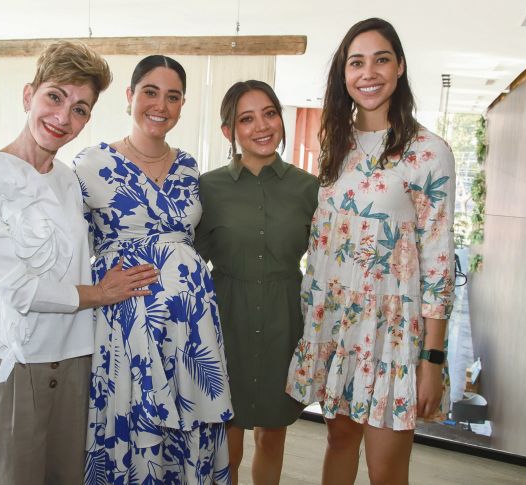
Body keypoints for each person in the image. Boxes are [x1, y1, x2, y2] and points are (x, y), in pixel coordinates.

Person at [0, 41, 160, 485]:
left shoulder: (69, 180)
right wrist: (99, 293)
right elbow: (17, 289)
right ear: (28, 95)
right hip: (13, 362)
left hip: (76, 358)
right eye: (55, 97)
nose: (64, 117)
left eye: (80, 109)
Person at [284, 18, 455, 485]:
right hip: (338, 327)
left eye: (381, 59)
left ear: (399, 67)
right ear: (344, 74)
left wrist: (432, 359)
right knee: (339, 442)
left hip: (393, 336)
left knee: (386, 468)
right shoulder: (334, 143)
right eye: (356, 63)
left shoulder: (429, 152)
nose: (368, 73)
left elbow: (438, 261)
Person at [73, 55, 233, 485]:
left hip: (190, 326)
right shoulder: (90, 164)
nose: (161, 105)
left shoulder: (189, 166)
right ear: (129, 96)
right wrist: (95, 289)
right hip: (126, 325)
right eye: (150, 92)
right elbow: (71, 246)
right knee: (132, 425)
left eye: (173, 96)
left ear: (182, 105)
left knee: (190, 429)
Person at [194, 80, 319, 485]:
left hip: (284, 322)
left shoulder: (309, 188)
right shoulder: (207, 188)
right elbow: (191, 260)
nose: (262, 126)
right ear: (228, 131)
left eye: (269, 113)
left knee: (272, 435)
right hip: (225, 321)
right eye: (246, 119)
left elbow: (326, 263)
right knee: (226, 440)